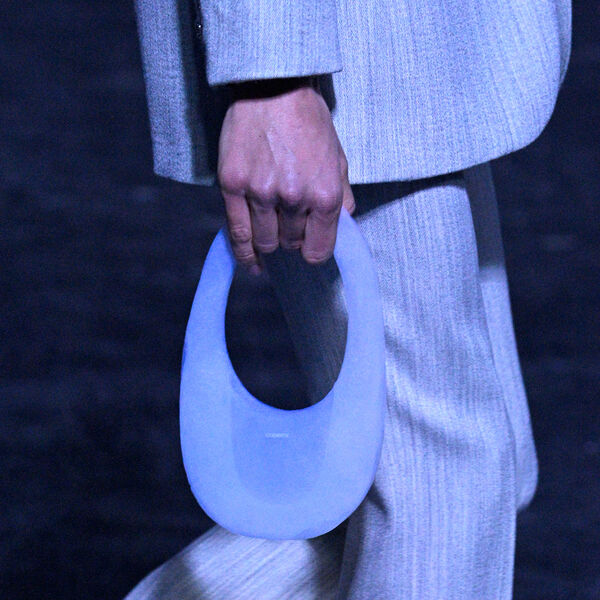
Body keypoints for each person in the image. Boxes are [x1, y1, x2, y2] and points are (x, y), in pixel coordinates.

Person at [126, 0, 572, 598]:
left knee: (479, 475)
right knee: (432, 484)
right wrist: (273, 76)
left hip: (417, 51)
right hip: (339, 57)